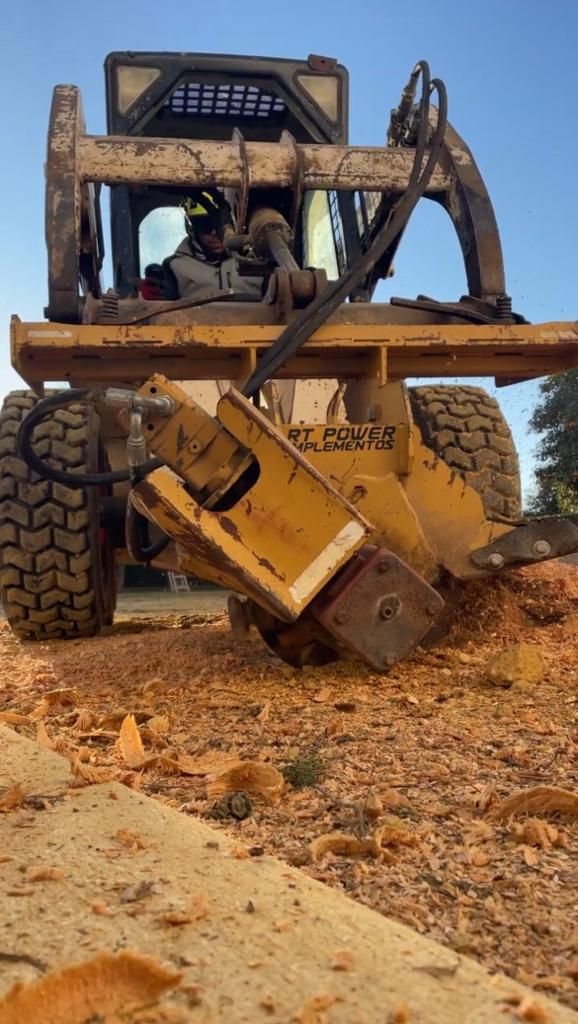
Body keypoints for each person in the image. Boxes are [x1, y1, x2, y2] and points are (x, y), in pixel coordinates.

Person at [139, 188, 264, 302]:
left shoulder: (261, 260)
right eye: (205, 225)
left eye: (224, 225)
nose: (216, 233)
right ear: (191, 228)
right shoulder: (173, 267)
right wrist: (151, 299)